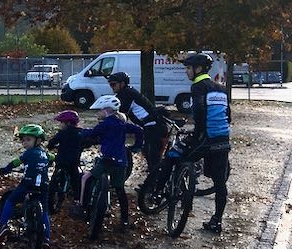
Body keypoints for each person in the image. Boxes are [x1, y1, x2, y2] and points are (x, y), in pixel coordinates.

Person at [156, 53, 231, 233]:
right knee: (220, 183)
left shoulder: (198, 86)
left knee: (172, 156)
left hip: (205, 138)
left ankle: (159, 193)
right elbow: (228, 115)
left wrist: (196, 135)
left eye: (188, 68)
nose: (186, 72)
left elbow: (199, 112)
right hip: (222, 139)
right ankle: (216, 221)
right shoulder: (221, 88)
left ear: (198, 69)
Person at [74, 95, 144, 226]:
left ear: (107, 110)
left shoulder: (105, 124)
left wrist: (79, 131)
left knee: (87, 178)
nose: (98, 113)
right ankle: (124, 219)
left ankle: (83, 207)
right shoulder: (122, 124)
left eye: (100, 110)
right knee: (120, 189)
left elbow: (91, 133)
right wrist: (137, 146)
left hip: (107, 160)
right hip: (121, 161)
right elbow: (139, 130)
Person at [107, 72, 169, 193]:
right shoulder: (126, 92)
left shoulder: (126, 94)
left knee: (153, 158)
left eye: (113, 84)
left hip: (154, 127)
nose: (112, 87)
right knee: (150, 156)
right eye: (110, 85)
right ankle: (153, 184)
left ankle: (154, 187)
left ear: (122, 83)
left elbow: (121, 113)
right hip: (150, 127)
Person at [0, 124, 52, 246]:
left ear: (38, 141)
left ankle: (3, 226)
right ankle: (46, 238)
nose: (25, 143)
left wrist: (6, 168)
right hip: (44, 186)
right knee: (45, 211)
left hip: (28, 184)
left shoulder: (28, 153)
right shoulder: (45, 154)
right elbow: (52, 158)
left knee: (10, 201)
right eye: (23, 140)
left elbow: (17, 162)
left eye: (28, 140)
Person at [47, 110, 84, 202]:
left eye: (61, 123)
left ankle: (51, 198)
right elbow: (88, 142)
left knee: (54, 178)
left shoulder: (62, 133)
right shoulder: (80, 133)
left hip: (61, 161)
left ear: (67, 123)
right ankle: (77, 198)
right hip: (73, 163)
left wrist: (53, 147)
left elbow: (51, 143)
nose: (60, 125)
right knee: (76, 180)